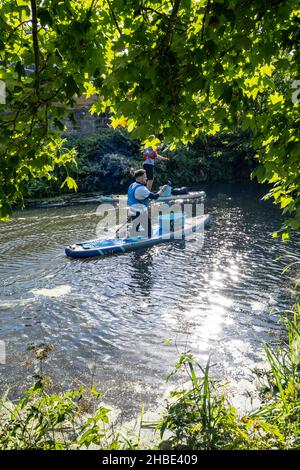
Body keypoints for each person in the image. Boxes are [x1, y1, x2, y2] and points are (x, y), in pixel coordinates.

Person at [122, 169, 168, 239]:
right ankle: (144, 242)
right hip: (140, 212)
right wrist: (163, 189)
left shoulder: (132, 185)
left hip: (132, 210)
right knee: (150, 233)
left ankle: (129, 235)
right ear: (140, 178)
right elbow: (155, 196)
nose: (146, 178)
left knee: (135, 230)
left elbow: (138, 197)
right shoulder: (141, 189)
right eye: (145, 176)